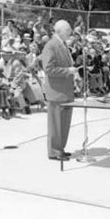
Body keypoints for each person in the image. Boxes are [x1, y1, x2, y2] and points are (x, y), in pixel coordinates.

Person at [41, 20, 76, 161]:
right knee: (56, 125)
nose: (70, 33)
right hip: (56, 91)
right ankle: (54, 151)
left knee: (64, 123)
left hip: (66, 90)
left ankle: (60, 148)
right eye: (68, 30)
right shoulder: (51, 46)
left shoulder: (63, 45)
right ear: (60, 31)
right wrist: (68, 71)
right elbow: (48, 69)